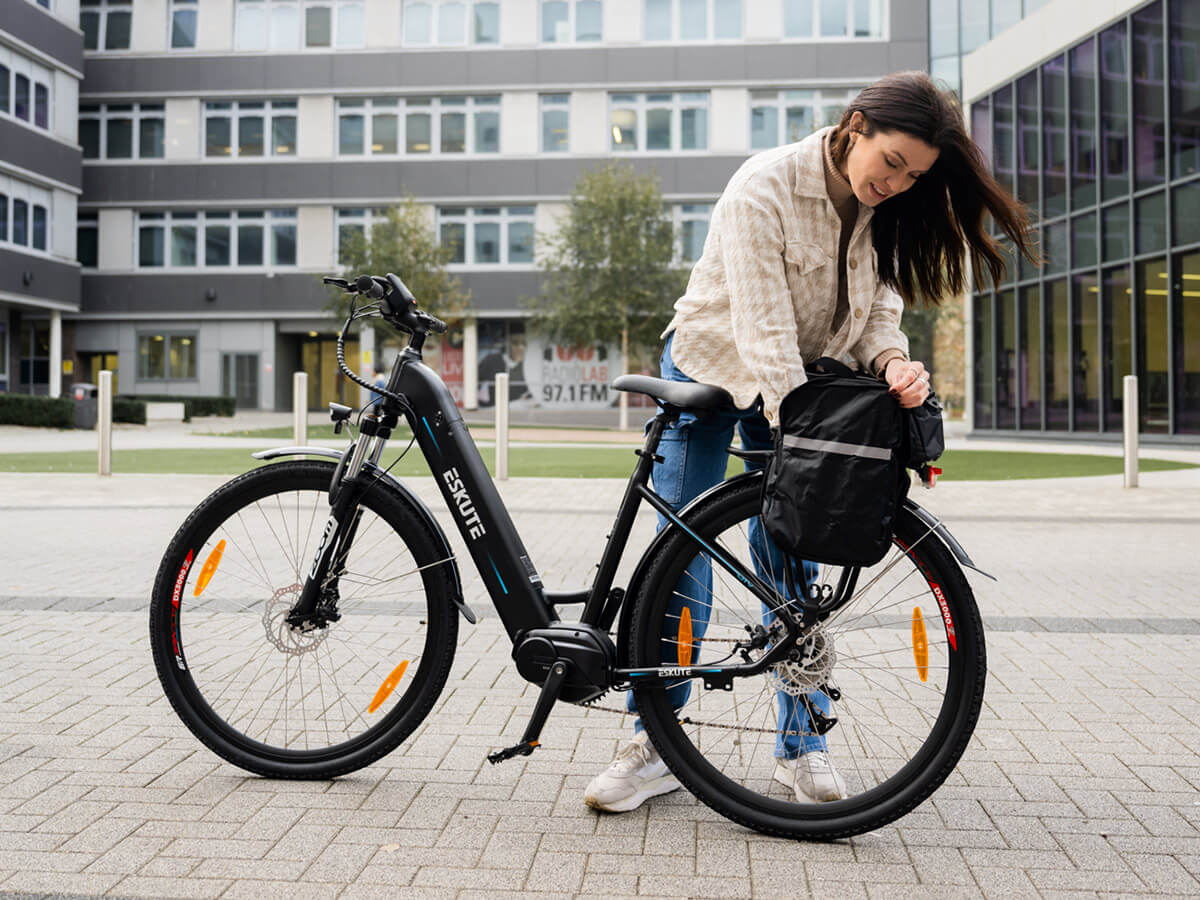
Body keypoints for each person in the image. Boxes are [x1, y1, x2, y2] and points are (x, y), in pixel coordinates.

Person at [584, 71, 1034, 813]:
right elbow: (762, 334)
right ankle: (654, 740)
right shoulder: (763, 187)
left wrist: (894, 362)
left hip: (805, 377)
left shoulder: (883, 207)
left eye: (915, 175)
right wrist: (801, 442)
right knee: (683, 554)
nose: (897, 182)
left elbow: (879, 312)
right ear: (855, 126)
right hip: (718, 367)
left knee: (791, 550)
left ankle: (802, 744)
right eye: (891, 162)